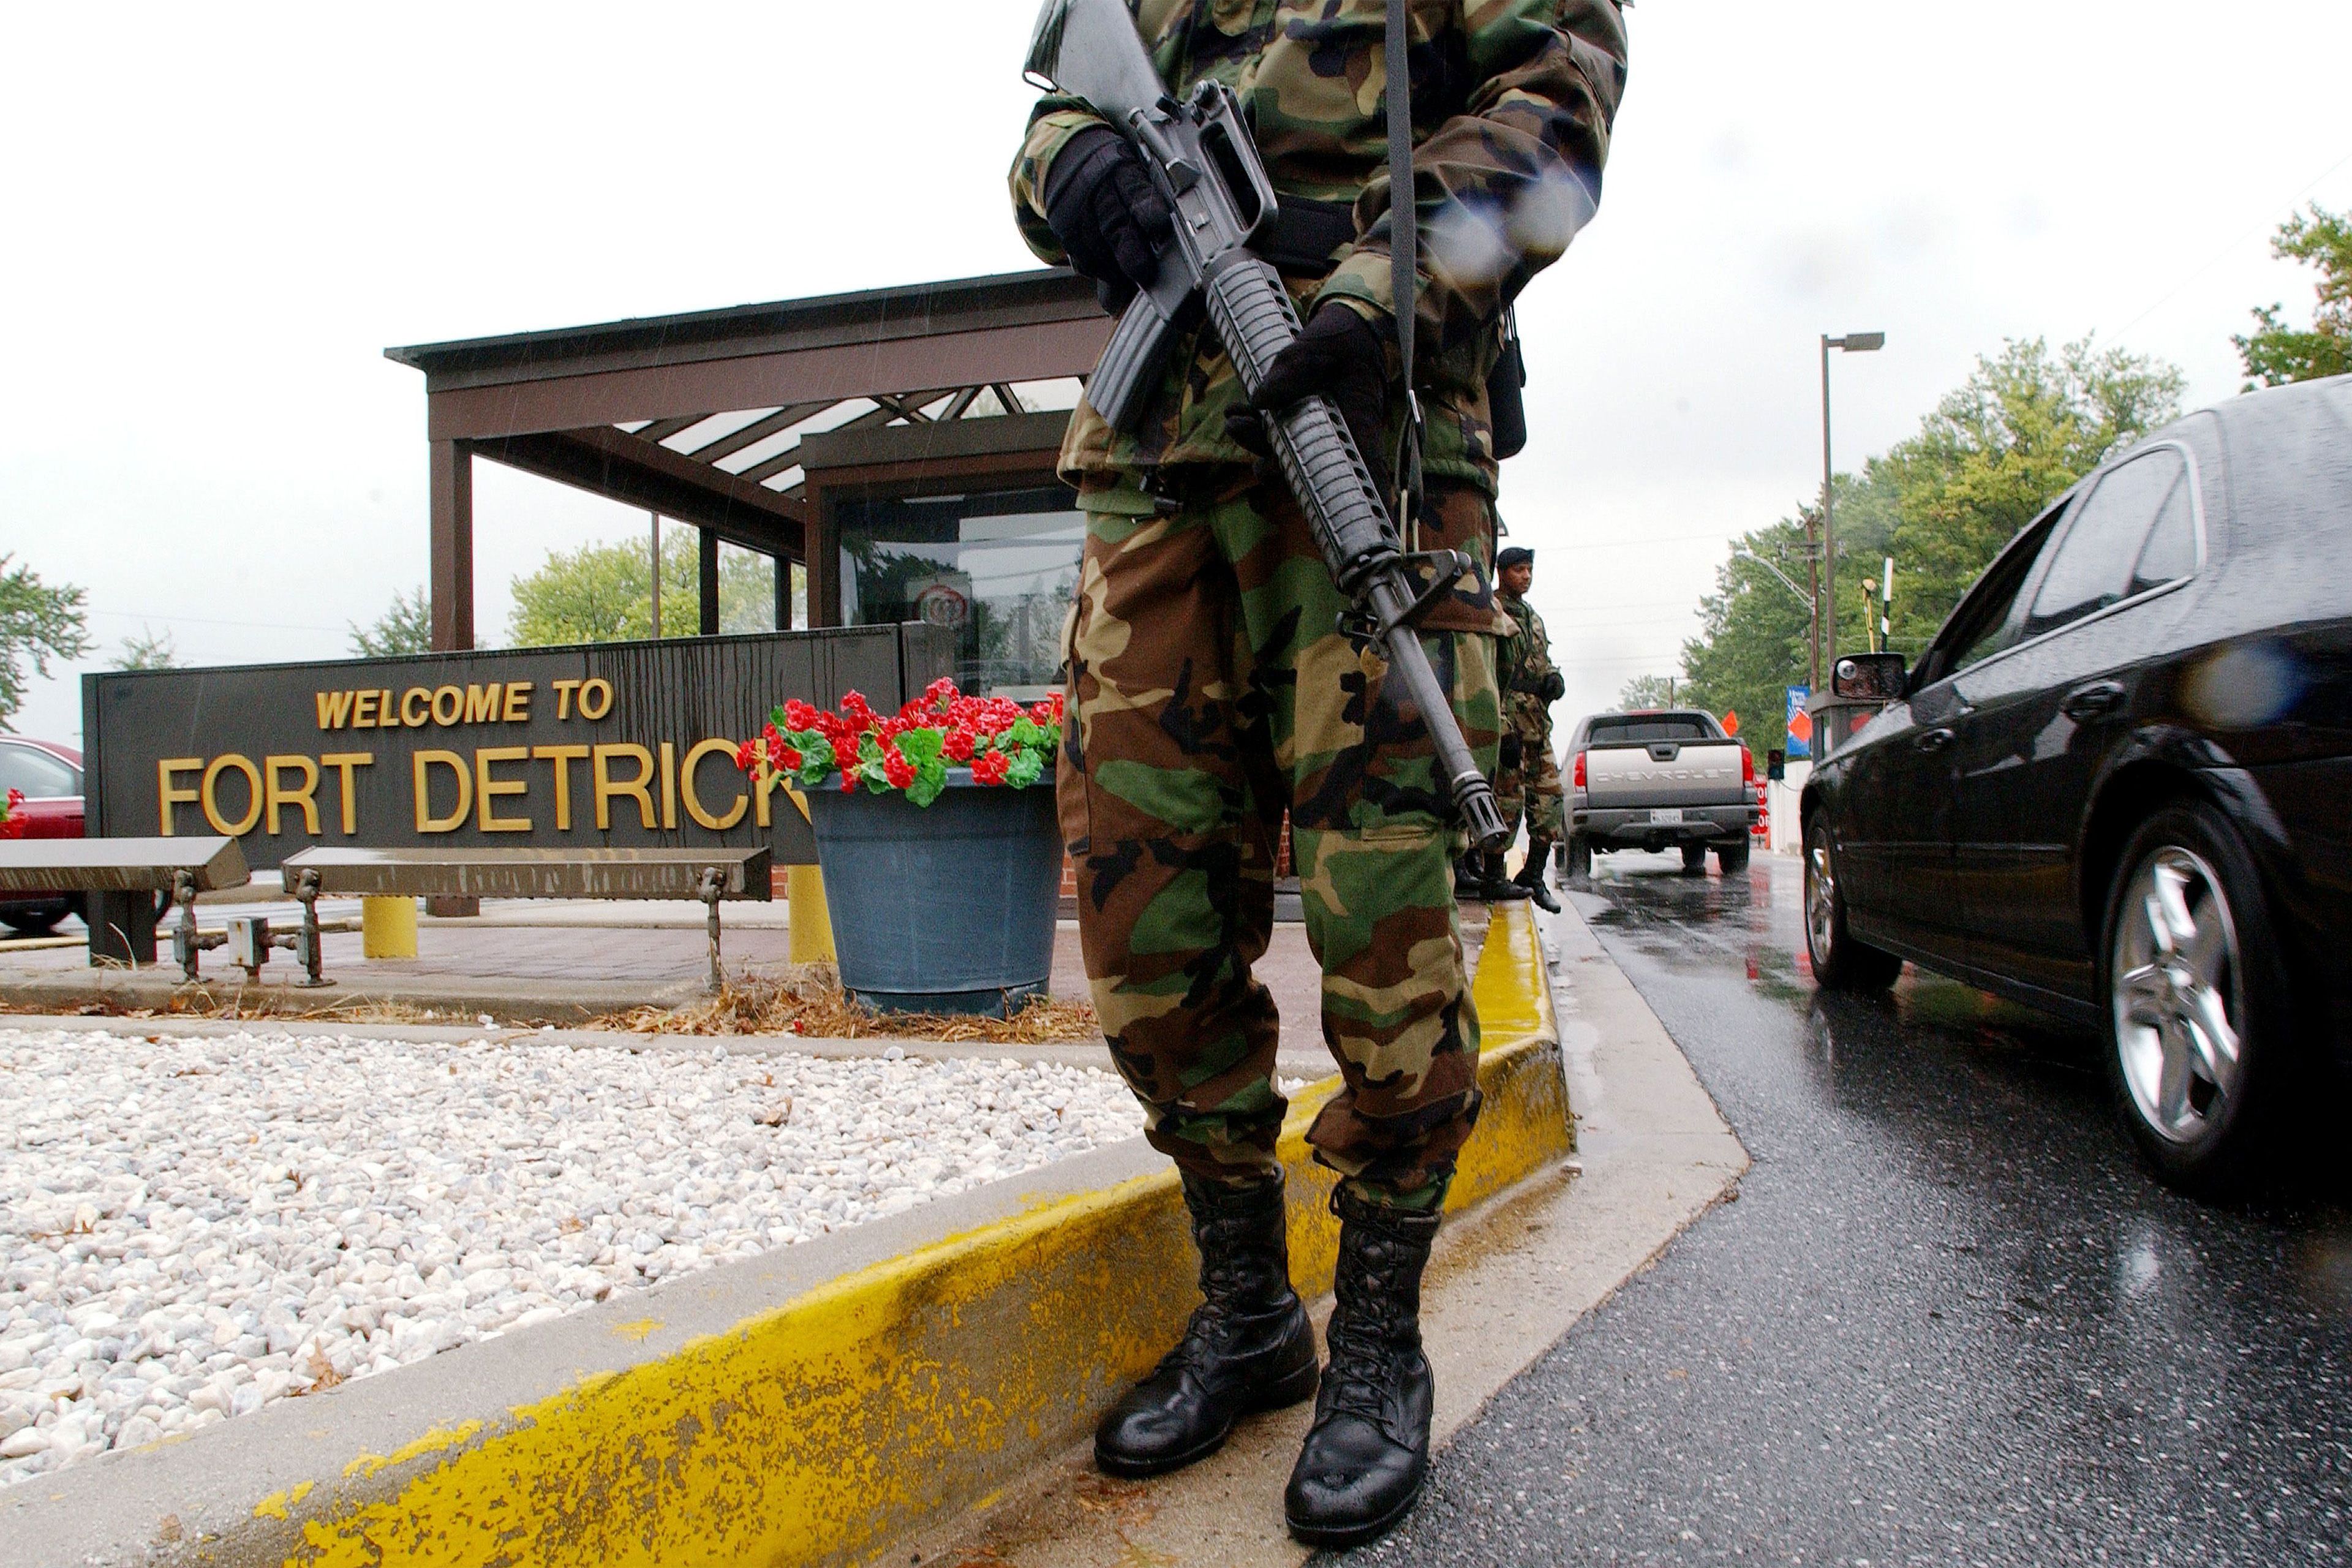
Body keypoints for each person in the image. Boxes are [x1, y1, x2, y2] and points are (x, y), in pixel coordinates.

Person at [1008, 0, 1626, 1546]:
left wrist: (1382, 289)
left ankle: (1372, 1344)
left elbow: (1555, 111)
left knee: (1386, 914)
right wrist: (1069, 168)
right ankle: (1245, 1309)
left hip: (1378, 428)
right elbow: (1042, 122)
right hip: (1157, 460)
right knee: (1142, 924)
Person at [1493, 545, 1567, 911]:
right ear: (1502, 572)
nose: (1526, 577)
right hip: (1508, 724)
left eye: (1529, 570)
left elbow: (1541, 662)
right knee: (1505, 803)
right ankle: (1493, 877)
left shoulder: (1533, 618)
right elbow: (1485, 675)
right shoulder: (1492, 611)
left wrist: (1553, 679)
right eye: (1519, 570)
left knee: (1550, 800)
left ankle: (1533, 875)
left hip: (1538, 725)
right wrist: (1500, 727)